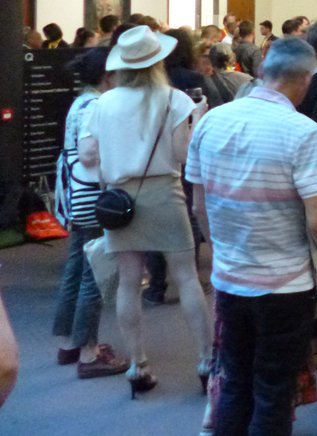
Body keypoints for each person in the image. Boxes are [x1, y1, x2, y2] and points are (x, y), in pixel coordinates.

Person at [187, 36, 317, 434]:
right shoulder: (302, 131)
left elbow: (198, 206)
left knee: (235, 381)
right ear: (305, 80)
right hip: (285, 285)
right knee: (273, 390)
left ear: (261, 73)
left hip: (230, 278)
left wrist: (223, 247)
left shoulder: (211, 122)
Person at [80, 25, 211, 397]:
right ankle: (206, 362)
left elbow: (88, 156)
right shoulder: (175, 101)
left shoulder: (102, 103)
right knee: (186, 277)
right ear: (158, 61)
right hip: (164, 193)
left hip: (119, 202)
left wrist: (111, 171)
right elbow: (184, 156)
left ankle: (138, 365)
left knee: (127, 281)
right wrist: (196, 122)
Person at [51, 46, 128, 378]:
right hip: (92, 198)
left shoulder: (78, 103)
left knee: (76, 268)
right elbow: (90, 155)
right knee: (94, 275)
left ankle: (69, 343)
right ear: (108, 75)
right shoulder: (97, 105)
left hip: (75, 196)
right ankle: (88, 352)